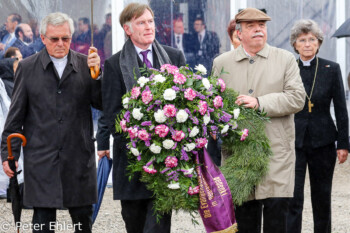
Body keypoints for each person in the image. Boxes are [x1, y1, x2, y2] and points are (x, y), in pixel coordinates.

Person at [1, 12, 102, 232]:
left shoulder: (87, 64)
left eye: (65, 38)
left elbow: (102, 104)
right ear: (43, 37)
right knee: (42, 224)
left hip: (79, 158)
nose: (60, 44)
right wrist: (9, 154)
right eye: (54, 39)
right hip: (41, 159)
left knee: (83, 223)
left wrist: (98, 77)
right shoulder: (27, 68)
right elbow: (15, 116)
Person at [212, 8, 306, 233]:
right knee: (244, 222)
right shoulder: (222, 63)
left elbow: (297, 98)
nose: (258, 30)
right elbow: (214, 104)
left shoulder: (285, 59)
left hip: (276, 155)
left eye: (262, 25)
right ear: (239, 32)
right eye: (251, 26)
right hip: (238, 157)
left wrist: (259, 102)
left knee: (276, 221)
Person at [101, 3, 185, 233]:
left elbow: (187, 104)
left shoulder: (174, 56)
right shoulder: (114, 64)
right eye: (141, 23)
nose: (149, 27)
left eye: (150, 21)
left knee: (159, 226)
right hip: (131, 162)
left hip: (166, 161)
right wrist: (143, 131)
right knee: (135, 223)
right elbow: (111, 113)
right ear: (128, 29)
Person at [286, 19, 349, 233]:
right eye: (302, 40)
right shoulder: (288, 68)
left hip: (323, 141)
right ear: (294, 44)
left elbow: (341, 108)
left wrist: (344, 143)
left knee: (322, 197)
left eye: (312, 39)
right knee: (293, 197)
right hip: (293, 141)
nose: (307, 44)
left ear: (319, 42)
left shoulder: (331, 68)